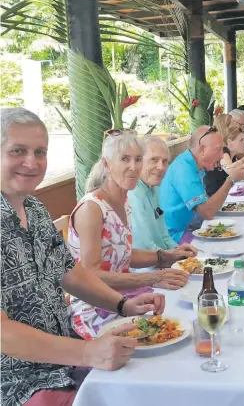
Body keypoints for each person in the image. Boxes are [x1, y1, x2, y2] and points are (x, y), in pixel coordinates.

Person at [1, 108, 166, 406]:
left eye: (40, 151)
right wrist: (88, 353)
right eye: (18, 151)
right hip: (18, 382)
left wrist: (123, 304)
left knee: (158, 373)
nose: (32, 162)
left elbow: (71, 274)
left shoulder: (35, 210)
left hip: (64, 361)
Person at [68, 130, 195, 339]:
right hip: (96, 308)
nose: (133, 167)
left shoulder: (123, 201)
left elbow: (123, 253)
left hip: (123, 298)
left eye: (137, 159)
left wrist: (166, 256)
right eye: (125, 159)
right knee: (169, 326)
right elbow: (91, 275)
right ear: (107, 164)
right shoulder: (92, 208)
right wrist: (152, 277)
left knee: (183, 318)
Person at [159, 125, 244, 243]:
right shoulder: (184, 169)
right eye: (218, 149)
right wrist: (231, 180)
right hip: (174, 236)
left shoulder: (194, 164)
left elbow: (207, 206)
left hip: (189, 228)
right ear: (202, 149)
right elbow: (207, 212)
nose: (222, 155)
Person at [128, 135, 182, 272]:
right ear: (138, 161)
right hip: (141, 271)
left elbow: (163, 234)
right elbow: (144, 247)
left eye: (165, 161)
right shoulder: (132, 193)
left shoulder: (153, 188)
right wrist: (173, 257)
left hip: (160, 261)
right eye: (154, 160)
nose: (161, 167)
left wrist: (179, 252)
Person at [204, 114, 244, 196]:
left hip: (224, 191)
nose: (236, 124)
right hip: (215, 195)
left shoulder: (226, 147)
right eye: (233, 122)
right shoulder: (222, 149)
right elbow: (230, 170)